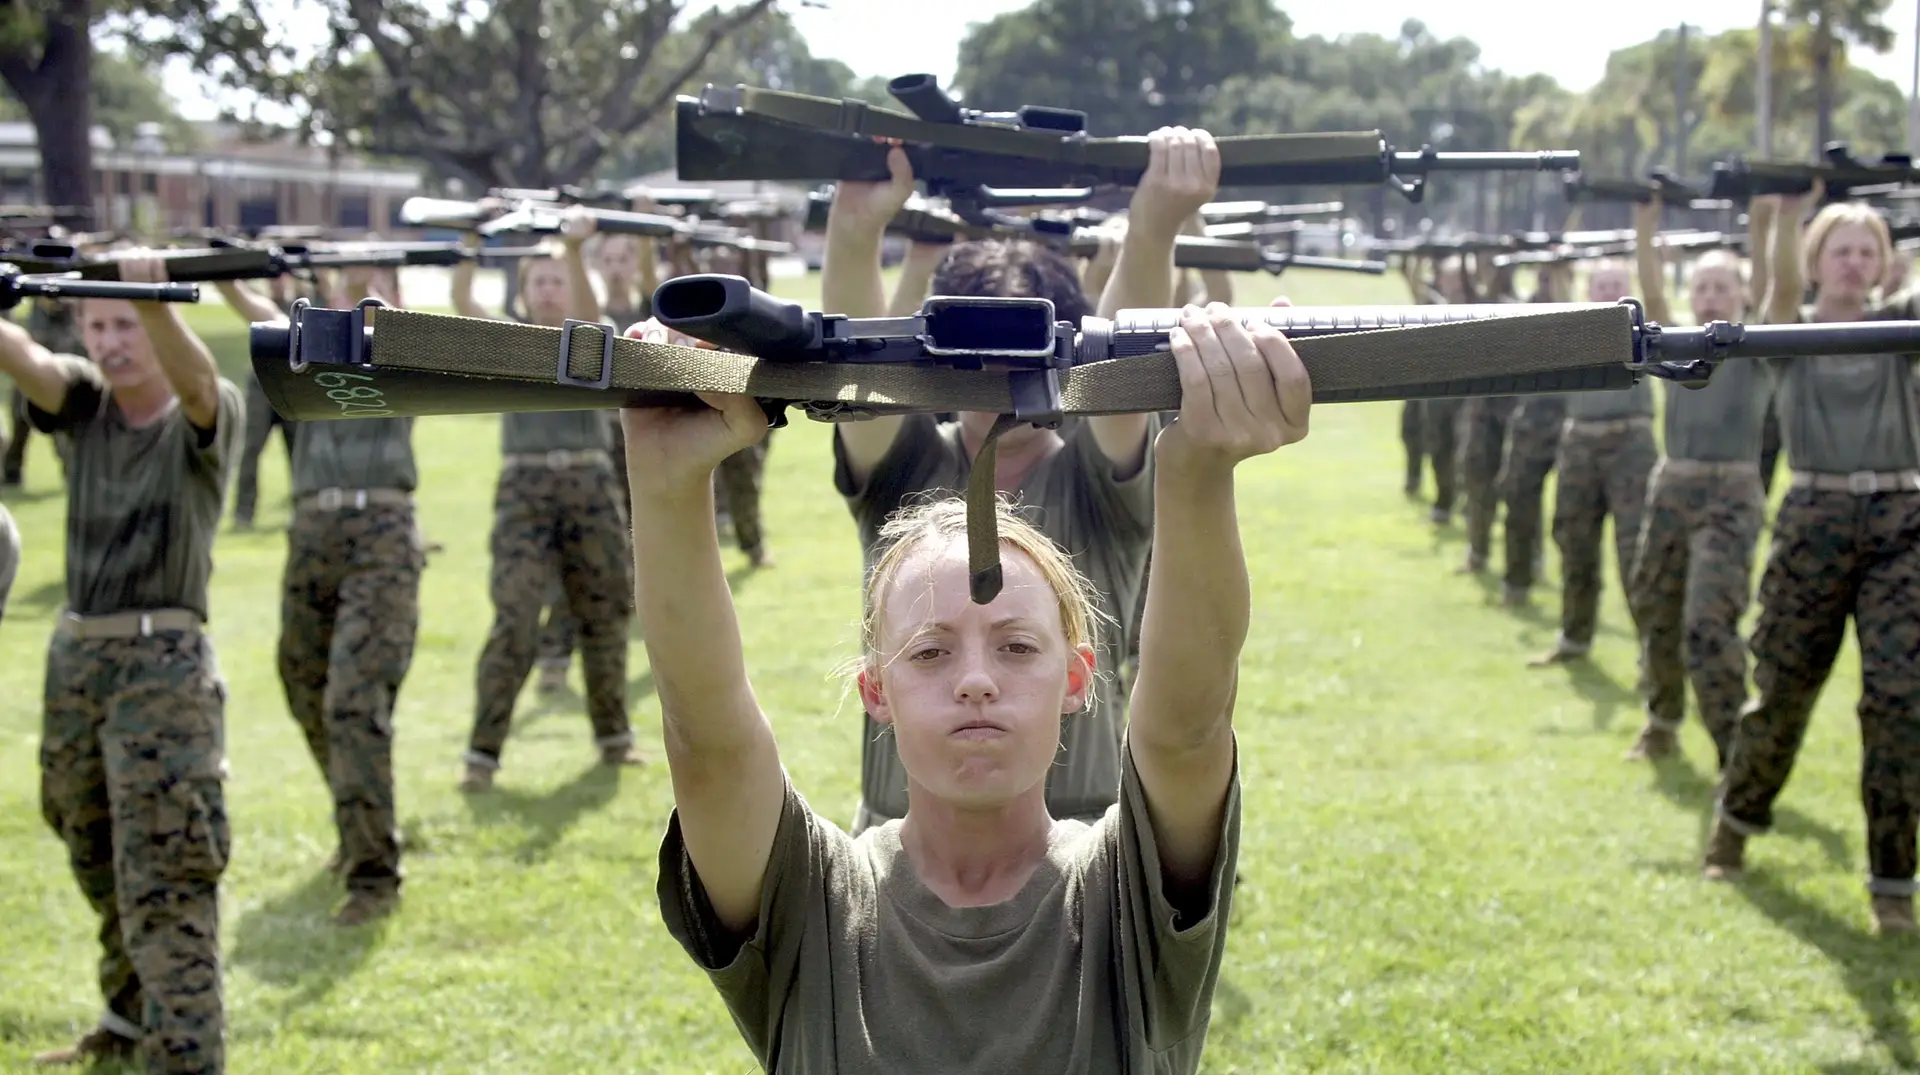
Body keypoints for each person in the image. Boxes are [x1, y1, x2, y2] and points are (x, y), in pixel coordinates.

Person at [632, 283, 1309, 1071]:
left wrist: (1195, 469)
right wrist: (666, 483)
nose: (977, 680)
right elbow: (707, 739)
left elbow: (1189, 729)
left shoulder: (1124, 900)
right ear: (874, 689)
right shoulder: (816, 901)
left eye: (1019, 647)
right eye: (930, 651)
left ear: (1079, 679)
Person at [820, 130, 1215, 834]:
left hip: (1073, 843)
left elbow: (1118, 369)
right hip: (899, 842)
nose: (998, 380)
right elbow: (859, 375)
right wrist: (854, 230)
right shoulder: (907, 464)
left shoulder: (1096, 477)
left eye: (1022, 356)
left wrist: (1153, 227)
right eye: (975, 355)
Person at [3, 256, 242, 1071]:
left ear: (158, 323)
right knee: (88, 839)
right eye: (98, 324)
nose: (111, 342)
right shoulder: (80, 404)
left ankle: (185, 1054)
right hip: (77, 658)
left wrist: (153, 298)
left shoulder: (204, 417)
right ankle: (129, 1014)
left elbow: (201, 382)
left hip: (162, 668)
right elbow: (26, 361)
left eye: (127, 323)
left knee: (167, 867)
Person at [1705, 189, 1920, 937]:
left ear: (1885, 264)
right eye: (1841, 249)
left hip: (1902, 521)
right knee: (1785, 686)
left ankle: (1894, 879)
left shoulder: (1904, 326)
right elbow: (1780, 287)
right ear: (1818, 259)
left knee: (1899, 700)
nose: (1855, 263)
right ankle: (1735, 821)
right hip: (1814, 519)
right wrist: (1788, 215)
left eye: (1869, 251)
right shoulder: (1787, 334)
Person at [215, 269, 424, 926]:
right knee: (302, 678)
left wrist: (372, 300)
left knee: (354, 700)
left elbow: (396, 324)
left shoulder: (404, 353)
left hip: (383, 528)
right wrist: (226, 275)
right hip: (311, 530)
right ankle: (356, 821)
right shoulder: (302, 354)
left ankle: (374, 874)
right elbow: (259, 312)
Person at [454, 212, 643, 791]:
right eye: (538, 280)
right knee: (514, 616)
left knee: (602, 613)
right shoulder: (507, 340)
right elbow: (461, 298)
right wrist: (468, 241)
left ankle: (614, 738)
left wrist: (574, 249)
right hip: (524, 490)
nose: (549, 289)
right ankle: (481, 756)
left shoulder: (589, 336)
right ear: (522, 290)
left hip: (588, 485)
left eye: (557, 278)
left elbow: (594, 313)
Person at [1620, 199, 1775, 766]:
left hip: (1730, 493)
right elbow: (1653, 298)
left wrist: (1760, 226)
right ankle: (1661, 720)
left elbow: (1769, 284)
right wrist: (1644, 227)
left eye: (1722, 287)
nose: (1711, 296)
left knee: (1707, 622)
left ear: (1741, 296)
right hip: (1672, 487)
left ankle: (1734, 754)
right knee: (1655, 607)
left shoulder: (1755, 350)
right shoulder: (1677, 348)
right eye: (1703, 287)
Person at [1530, 261, 1661, 664]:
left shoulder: (1644, 334)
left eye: (1617, 285)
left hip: (1630, 445)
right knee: (1574, 541)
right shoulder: (1575, 334)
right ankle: (1574, 636)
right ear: (1588, 292)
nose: (1609, 292)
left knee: (1635, 551)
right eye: (1602, 285)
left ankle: (1651, 653)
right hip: (1580, 445)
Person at [5, 296, 83, 487]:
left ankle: (73, 474)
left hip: (61, 370)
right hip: (30, 369)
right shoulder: (35, 313)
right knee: (20, 422)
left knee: (62, 429)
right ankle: (11, 473)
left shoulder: (71, 313)